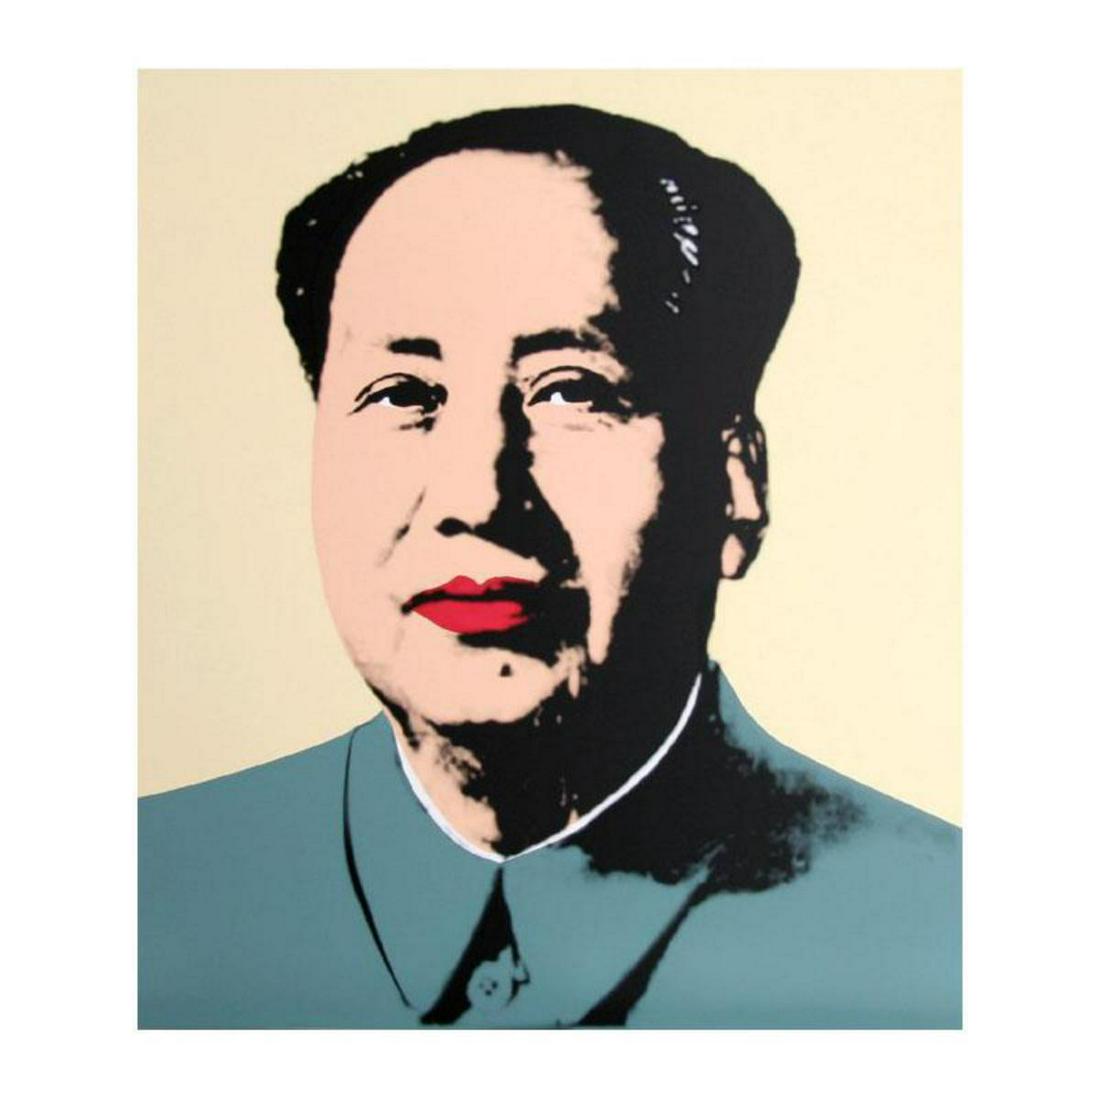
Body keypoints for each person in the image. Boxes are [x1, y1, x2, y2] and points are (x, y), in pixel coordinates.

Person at [139, 104, 961, 1028]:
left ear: (734, 480)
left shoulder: (950, 935)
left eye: (572, 390)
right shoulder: (138, 897)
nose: (477, 496)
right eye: (403, 394)